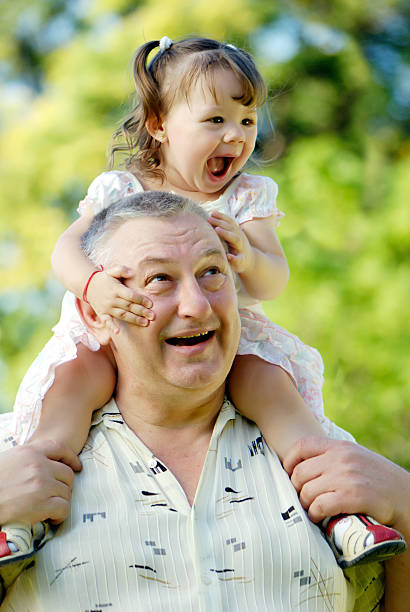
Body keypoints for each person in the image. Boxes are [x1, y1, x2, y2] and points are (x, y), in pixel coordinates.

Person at [0, 36, 405, 568]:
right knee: (73, 385)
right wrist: (93, 283)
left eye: (247, 120)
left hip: (229, 339)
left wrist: (246, 256)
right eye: (214, 120)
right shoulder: (121, 188)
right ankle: (24, 513)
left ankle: (341, 515)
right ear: (159, 124)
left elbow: (272, 281)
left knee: (276, 394)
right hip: (118, 326)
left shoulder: (246, 198)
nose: (235, 136)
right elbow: (66, 249)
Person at [0, 192, 409, 610]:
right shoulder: (16, 462)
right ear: (94, 315)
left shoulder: (328, 462)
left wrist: (407, 504)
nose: (196, 306)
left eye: (212, 272)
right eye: (159, 279)